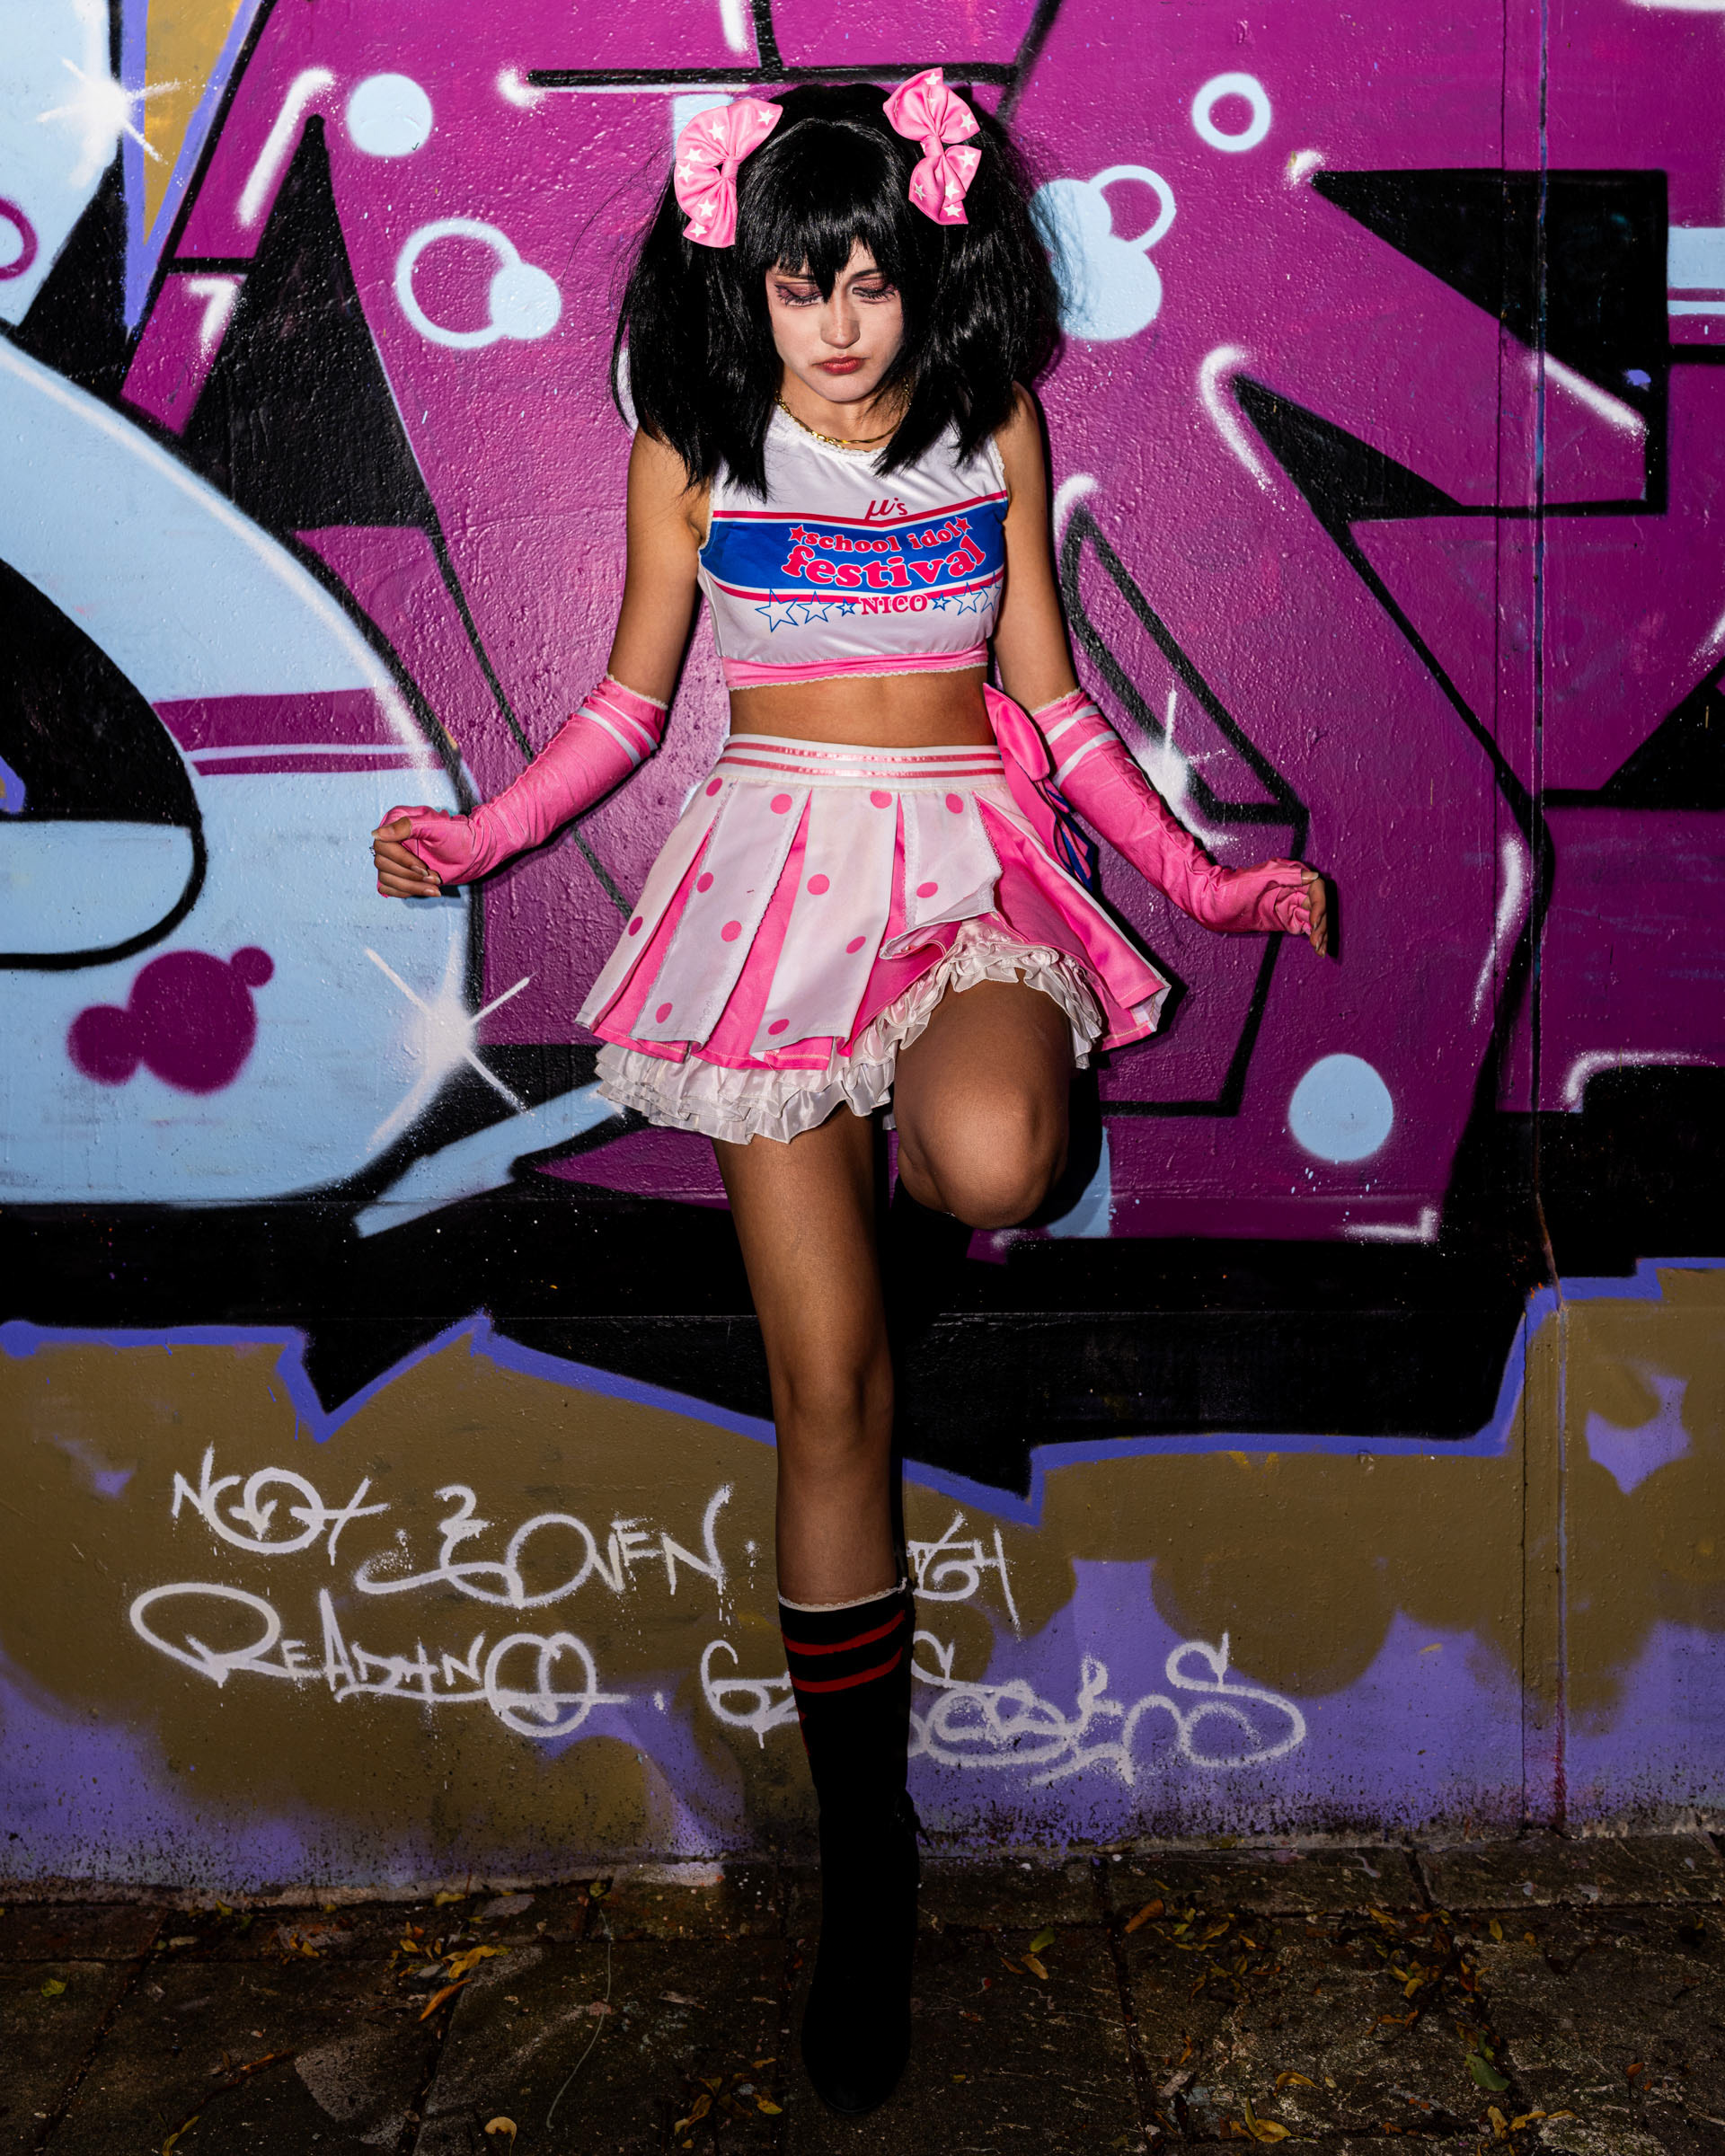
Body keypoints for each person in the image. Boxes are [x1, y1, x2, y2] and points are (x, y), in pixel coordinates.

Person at [373, 74, 1329, 2116]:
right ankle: (865, 1871)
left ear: (928, 278)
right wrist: (481, 838)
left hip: (963, 861)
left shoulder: (994, 430)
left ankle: (918, 1247)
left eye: (874, 279)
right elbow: (632, 704)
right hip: (763, 889)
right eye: (805, 282)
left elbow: (1058, 712)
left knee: (996, 1142)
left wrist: (1207, 882)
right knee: (826, 1403)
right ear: (747, 279)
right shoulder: (689, 445)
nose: (839, 322)